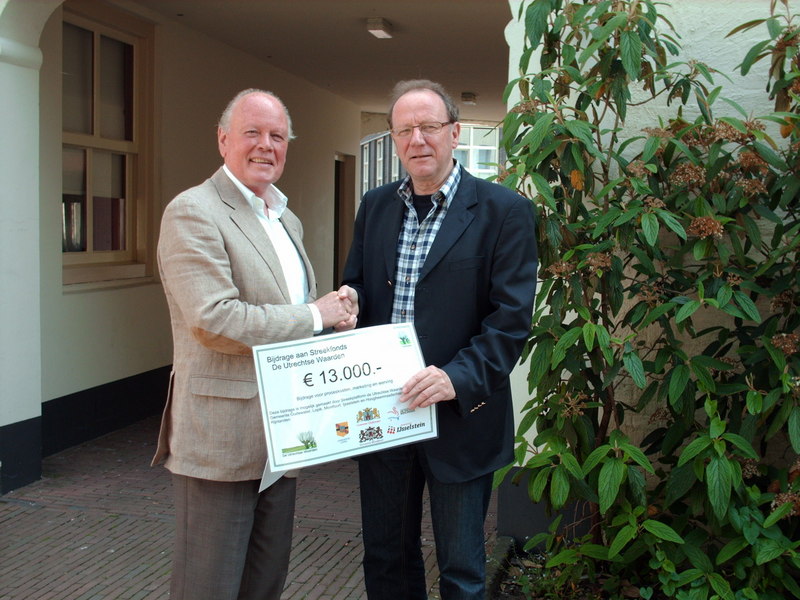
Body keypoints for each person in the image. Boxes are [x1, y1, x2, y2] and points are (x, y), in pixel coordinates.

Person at [152, 88, 358, 600]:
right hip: (221, 439)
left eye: (278, 136)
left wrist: (332, 318)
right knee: (208, 587)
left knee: (264, 585)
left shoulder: (286, 218)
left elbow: (293, 312)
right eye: (252, 133)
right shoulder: (193, 211)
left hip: (283, 437)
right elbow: (214, 320)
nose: (266, 145)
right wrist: (315, 315)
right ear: (223, 140)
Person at [341, 80, 538, 600]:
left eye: (429, 126)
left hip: (459, 418)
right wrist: (349, 302)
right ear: (393, 139)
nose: (417, 139)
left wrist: (456, 378)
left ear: (454, 132)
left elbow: (510, 320)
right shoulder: (375, 206)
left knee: (461, 569)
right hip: (385, 415)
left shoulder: (504, 211)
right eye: (405, 129)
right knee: (386, 558)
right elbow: (359, 285)